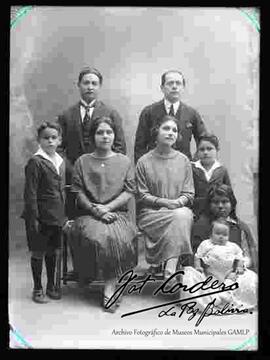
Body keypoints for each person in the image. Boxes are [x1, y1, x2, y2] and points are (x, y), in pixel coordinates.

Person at [69, 116, 137, 313]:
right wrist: (95, 210)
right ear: (92, 136)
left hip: (118, 214)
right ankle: (103, 282)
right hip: (89, 215)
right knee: (98, 236)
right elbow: (78, 193)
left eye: (109, 132)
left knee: (119, 237)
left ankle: (110, 287)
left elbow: (129, 191)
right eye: (100, 132)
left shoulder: (124, 161)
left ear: (114, 136)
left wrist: (107, 208)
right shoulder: (83, 161)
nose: (105, 136)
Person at [135, 115, 194, 280]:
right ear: (156, 131)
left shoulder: (183, 161)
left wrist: (176, 203)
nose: (171, 133)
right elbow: (142, 194)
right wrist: (163, 203)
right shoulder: (144, 162)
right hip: (151, 213)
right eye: (166, 128)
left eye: (174, 130)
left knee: (181, 215)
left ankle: (169, 268)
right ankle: (171, 270)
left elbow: (189, 193)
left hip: (178, 209)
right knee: (180, 216)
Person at [57, 66, 126, 185]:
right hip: (74, 178)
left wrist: (103, 168)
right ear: (78, 85)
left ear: (99, 86)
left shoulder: (111, 114)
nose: (90, 87)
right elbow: (58, 149)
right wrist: (72, 170)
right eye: (86, 83)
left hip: (104, 178)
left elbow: (120, 148)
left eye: (94, 83)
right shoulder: (66, 115)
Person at [21, 122, 66, 303]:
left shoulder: (60, 161)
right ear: (39, 140)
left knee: (53, 251)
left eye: (54, 138)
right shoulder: (36, 162)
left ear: (59, 140)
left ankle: (50, 286)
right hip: (39, 216)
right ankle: (37, 288)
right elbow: (30, 193)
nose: (50, 141)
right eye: (46, 138)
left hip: (56, 216)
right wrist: (34, 218)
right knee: (38, 251)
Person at [183, 218, 257, 310]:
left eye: (225, 234)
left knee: (231, 281)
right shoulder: (206, 244)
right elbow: (198, 256)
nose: (221, 237)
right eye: (218, 234)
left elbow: (240, 257)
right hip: (211, 273)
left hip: (228, 273)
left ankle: (225, 296)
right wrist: (198, 266)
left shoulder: (232, 246)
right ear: (210, 234)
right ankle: (215, 297)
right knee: (210, 284)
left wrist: (239, 267)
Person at [134, 69, 207, 164]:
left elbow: (204, 140)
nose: (174, 87)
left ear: (183, 88)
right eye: (170, 83)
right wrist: (143, 168)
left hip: (183, 167)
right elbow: (140, 146)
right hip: (155, 166)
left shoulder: (192, 113)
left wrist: (195, 164)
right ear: (162, 88)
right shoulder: (149, 112)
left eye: (178, 83)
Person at [191, 184, 257, 272]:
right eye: (215, 202)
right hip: (207, 273)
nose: (220, 206)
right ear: (209, 205)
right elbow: (196, 255)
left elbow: (250, 255)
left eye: (225, 202)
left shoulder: (241, 227)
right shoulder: (200, 226)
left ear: (232, 204)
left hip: (236, 272)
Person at [192, 133, 231, 219]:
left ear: (217, 150)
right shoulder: (192, 169)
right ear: (197, 151)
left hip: (217, 212)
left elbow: (228, 194)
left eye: (209, 149)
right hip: (196, 212)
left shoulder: (222, 170)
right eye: (202, 149)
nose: (205, 152)